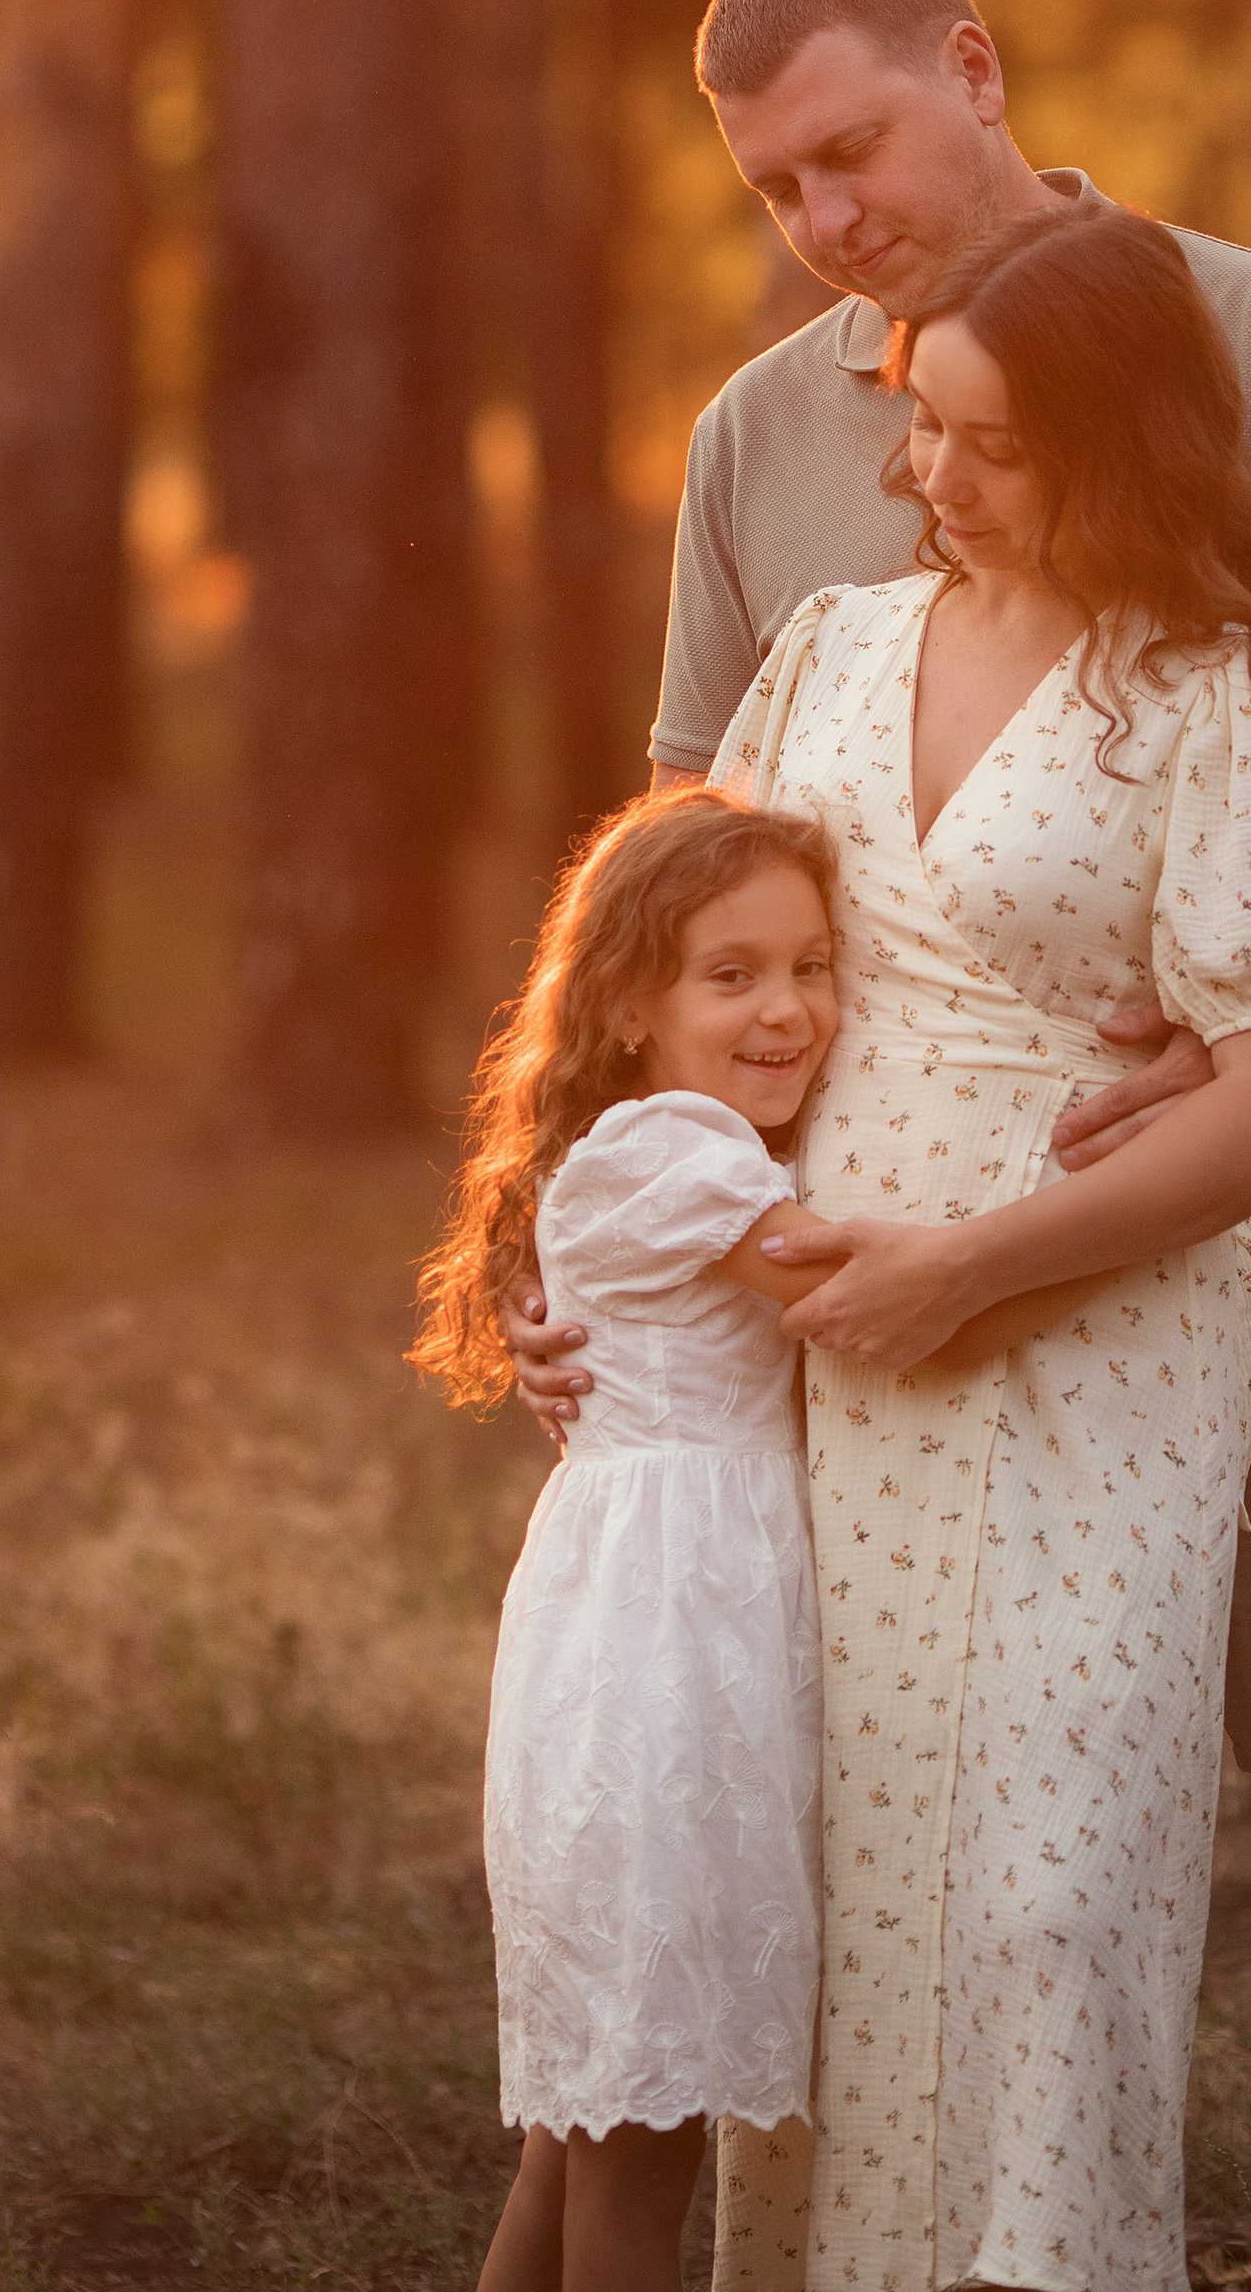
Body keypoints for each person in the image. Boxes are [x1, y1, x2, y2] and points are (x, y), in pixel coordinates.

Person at [509, 0, 1251, 2292]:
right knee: (823, 1803)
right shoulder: (765, 439)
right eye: (775, 190)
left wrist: (1235, 1011)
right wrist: (592, 1240)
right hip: (852, 1272)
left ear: (969, 67)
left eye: (848, 147)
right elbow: (678, 888)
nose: (825, 217)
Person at [413, 790, 848, 2292]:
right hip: (663, 1660)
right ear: (627, 1005)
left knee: (593, 2128)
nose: (788, 1010)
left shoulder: (659, 1144)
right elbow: (849, 1283)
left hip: (658, 1630)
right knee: (639, 2146)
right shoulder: (675, 1154)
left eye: (813, 965)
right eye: (732, 976)